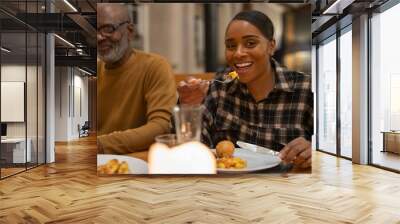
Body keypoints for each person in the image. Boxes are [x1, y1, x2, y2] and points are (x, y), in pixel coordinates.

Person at [178, 10, 313, 169]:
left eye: (250, 43)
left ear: (271, 46)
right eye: (230, 46)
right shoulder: (219, 88)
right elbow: (191, 152)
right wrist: (188, 109)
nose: (238, 53)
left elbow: (336, 149)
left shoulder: (306, 89)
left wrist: (313, 150)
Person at [97, 3, 177, 154]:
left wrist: (100, 145)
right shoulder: (89, 75)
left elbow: (161, 127)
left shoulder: (155, 66)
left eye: (108, 29)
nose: (99, 37)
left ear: (130, 31)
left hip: (136, 165)